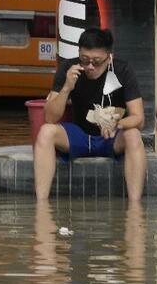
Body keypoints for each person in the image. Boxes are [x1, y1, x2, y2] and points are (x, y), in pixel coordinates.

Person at [33, 28, 146, 201]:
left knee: (134, 135)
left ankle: (135, 206)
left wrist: (117, 124)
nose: (90, 66)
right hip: (80, 135)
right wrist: (66, 88)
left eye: (96, 61)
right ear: (79, 53)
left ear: (109, 58)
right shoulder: (69, 69)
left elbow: (139, 118)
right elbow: (50, 118)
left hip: (111, 136)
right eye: (85, 60)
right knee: (46, 131)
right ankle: (41, 204)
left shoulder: (123, 70)